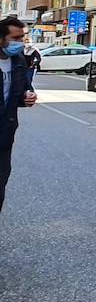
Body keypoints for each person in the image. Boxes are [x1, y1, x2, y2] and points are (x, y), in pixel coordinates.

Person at [1, 17, 39, 213]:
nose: (20, 43)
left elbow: (22, 91)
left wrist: (27, 97)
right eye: (15, 38)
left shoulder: (18, 61)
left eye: (22, 38)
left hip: (4, 135)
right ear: (1, 39)